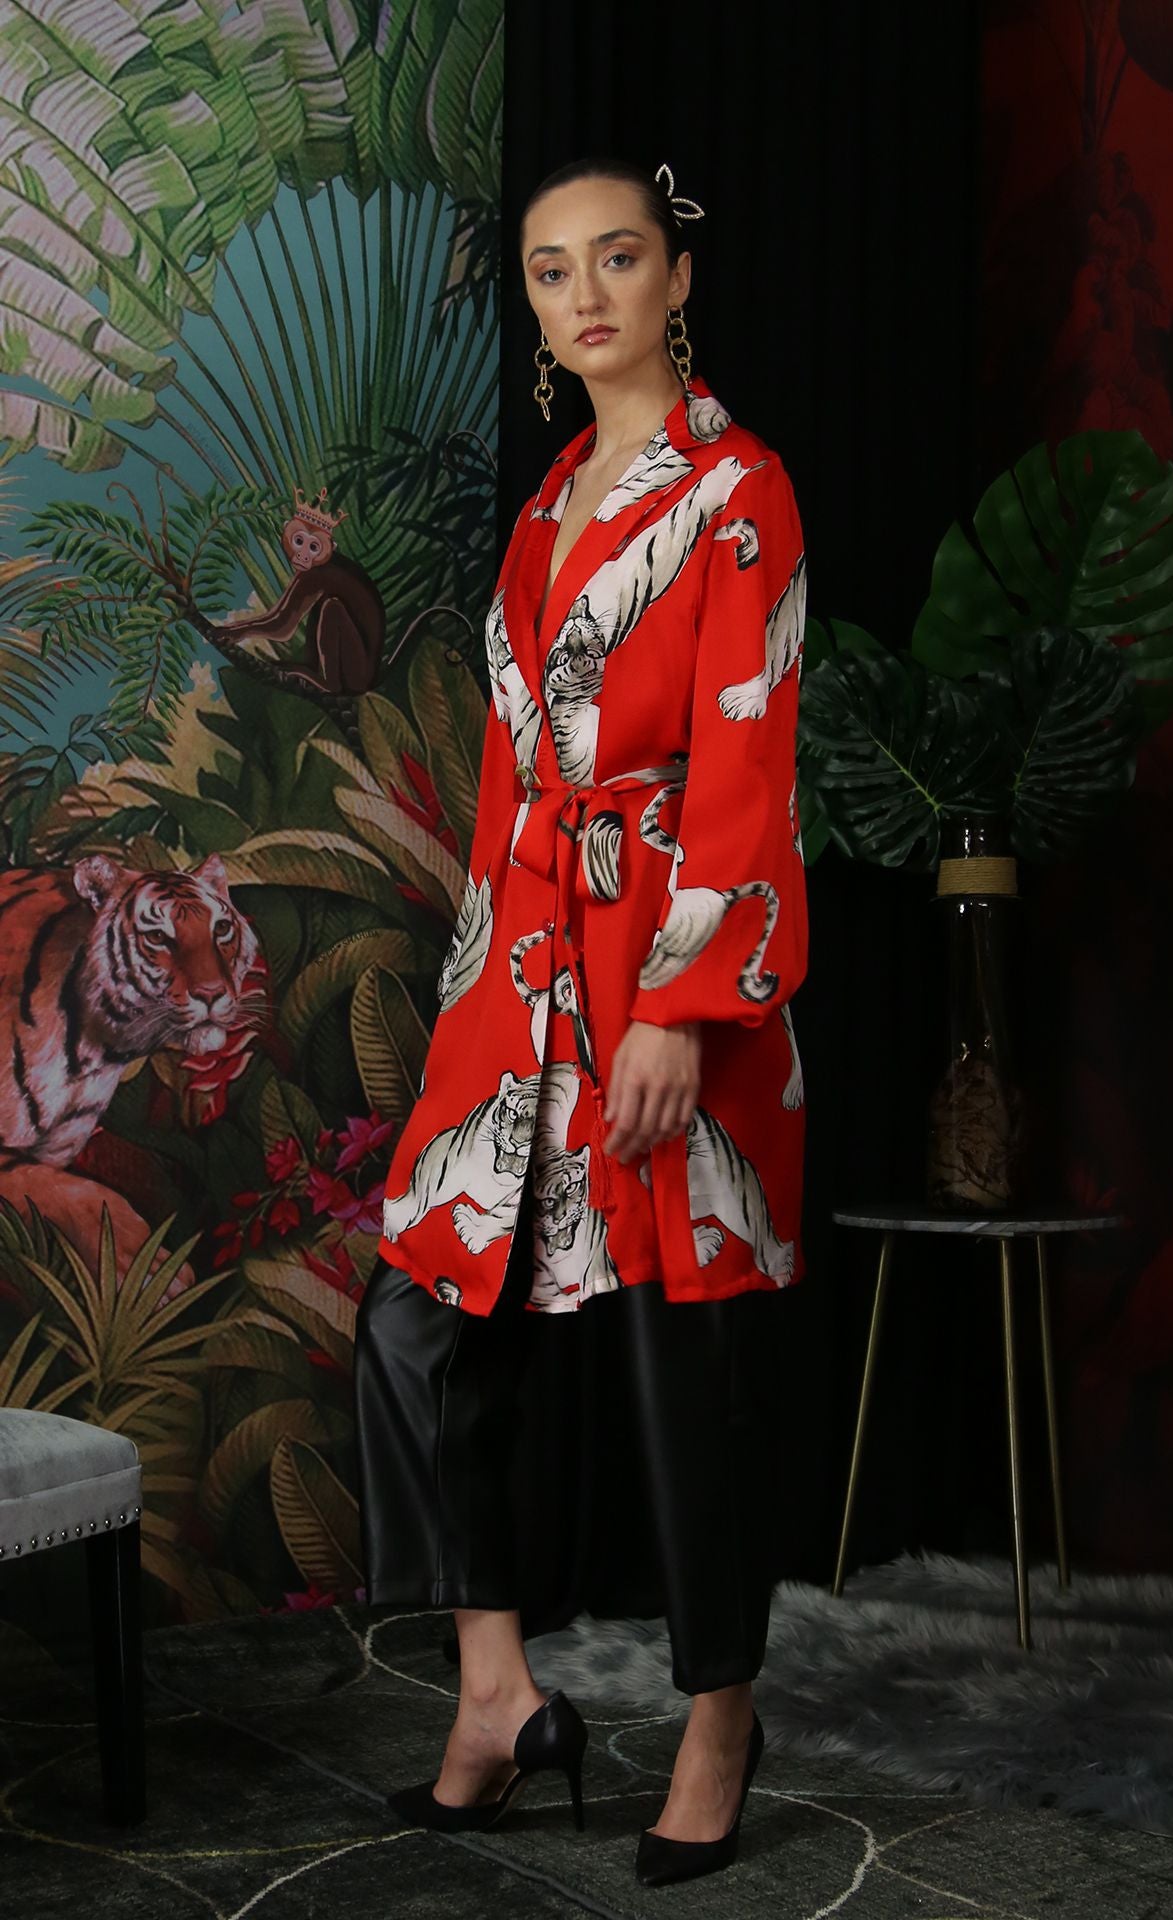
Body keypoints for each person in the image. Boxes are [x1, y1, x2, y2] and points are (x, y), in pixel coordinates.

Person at [354, 153, 809, 1888]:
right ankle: (493, 1691)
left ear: (677, 276)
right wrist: (478, 985)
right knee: (427, 1316)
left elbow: (749, 757)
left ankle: (719, 1723)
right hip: (525, 970)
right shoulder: (551, 500)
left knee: (690, 1365)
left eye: (618, 258)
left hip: (669, 970)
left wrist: (685, 1011)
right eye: (552, 272)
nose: (586, 295)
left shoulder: (740, 488)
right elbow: (508, 769)